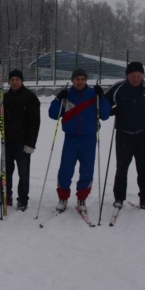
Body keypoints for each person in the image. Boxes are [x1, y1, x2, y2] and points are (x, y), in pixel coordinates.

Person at [105, 61, 145, 212]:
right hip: (123, 134)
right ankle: (119, 198)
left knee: (144, 168)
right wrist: (112, 111)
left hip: (143, 134)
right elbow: (102, 105)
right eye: (133, 76)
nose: (136, 79)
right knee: (121, 168)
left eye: (139, 76)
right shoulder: (118, 87)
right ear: (127, 75)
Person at [48, 68, 109, 213]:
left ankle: (82, 198)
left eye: (82, 79)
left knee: (87, 170)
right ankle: (63, 198)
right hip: (71, 138)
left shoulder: (94, 94)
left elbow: (105, 115)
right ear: (72, 80)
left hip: (89, 138)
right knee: (65, 169)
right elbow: (52, 115)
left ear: (86, 80)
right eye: (77, 79)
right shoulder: (67, 95)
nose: (80, 82)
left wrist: (103, 97)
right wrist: (57, 99)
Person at [2, 69, 41, 211]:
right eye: (12, 79)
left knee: (23, 172)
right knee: (6, 172)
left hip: (23, 142)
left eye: (17, 79)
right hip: (7, 141)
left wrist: (31, 143)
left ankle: (22, 199)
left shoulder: (30, 97)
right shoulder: (5, 97)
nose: (14, 82)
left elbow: (35, 122)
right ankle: (7, 196)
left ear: (22, 81)